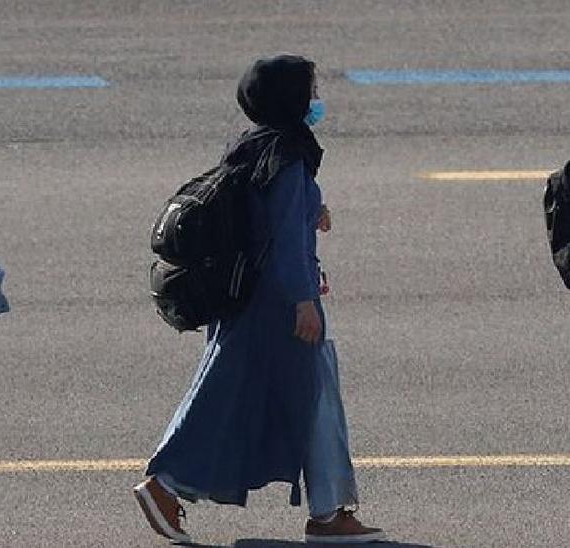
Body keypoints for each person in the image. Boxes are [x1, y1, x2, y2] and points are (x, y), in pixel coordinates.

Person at [132, 54, 384, 545]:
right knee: (232, 392)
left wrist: (315, 209)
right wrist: (303, 300)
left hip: (250, 296)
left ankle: (330, 511)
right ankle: (165, 483)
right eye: (309, 91)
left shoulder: (254, 146)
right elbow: (285, 238)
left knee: (301, 393)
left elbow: (264, 219)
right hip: (277, 305)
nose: (315, 100)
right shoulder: (288, 156)